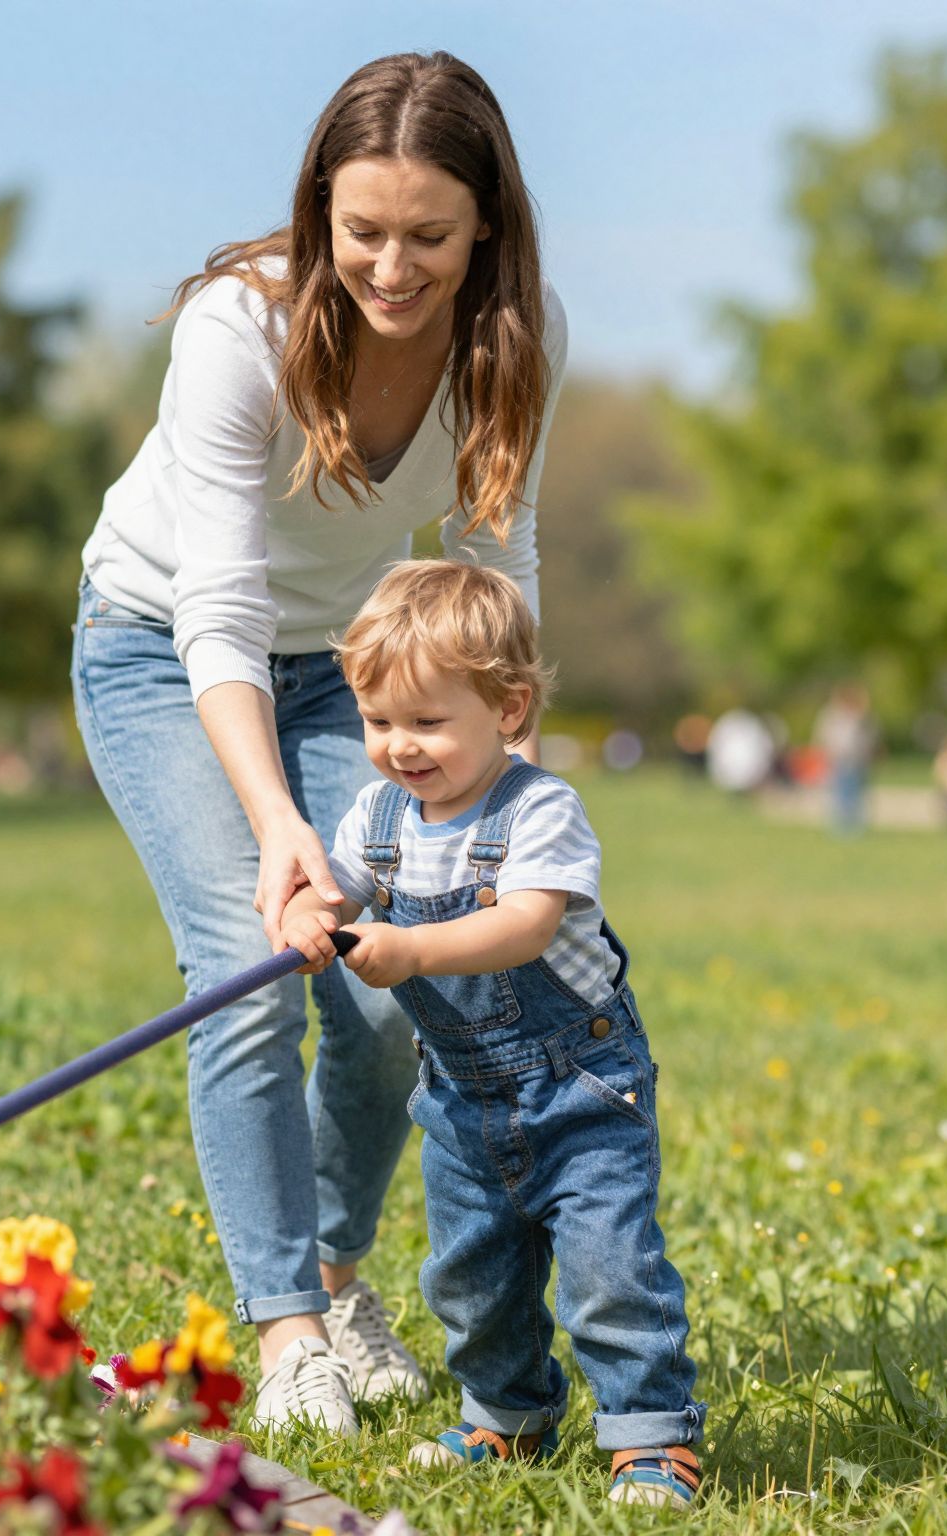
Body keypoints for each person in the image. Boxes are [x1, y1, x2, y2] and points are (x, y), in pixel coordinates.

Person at [71, 52, 568, 1432]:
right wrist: (283, 828)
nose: (391, 269)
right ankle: (284, 1333)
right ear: (319, 211)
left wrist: (505, 790)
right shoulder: (241, 326)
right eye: (361, 233)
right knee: (245, 968)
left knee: (391, 985)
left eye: (427, 235)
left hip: (354, 673)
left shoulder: (516, 338)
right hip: (162, 649)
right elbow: (219, 612)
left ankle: (337, 1280)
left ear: (486, 229)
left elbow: (495, 562)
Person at [283, 563, 704, 1510]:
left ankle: (648, 1437)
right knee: (470, 1278)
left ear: (508, 708)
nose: (400, 747)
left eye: (428, 723)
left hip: (580, 1092)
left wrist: (413, 950)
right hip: (463, 1100)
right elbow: (338, 888)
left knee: (609, 1273)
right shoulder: (376, 815)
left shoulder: (538, 808)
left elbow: (522, 925)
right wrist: (310, 916)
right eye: (379, 721)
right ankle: (507, 1416)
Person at [812, 681, 876, 835]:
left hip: (857, 759)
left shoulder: (861, 716)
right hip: (839, 758)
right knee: (840, 792)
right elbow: (824, 736)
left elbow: (869, 738)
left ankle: (854, 826)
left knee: (856, 793)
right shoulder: (832, 715)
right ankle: (841, 827)